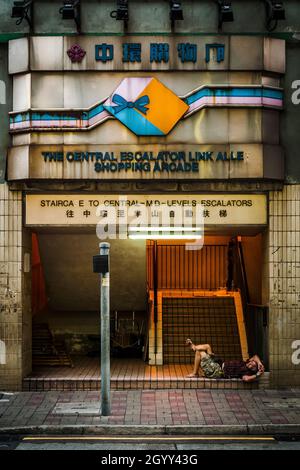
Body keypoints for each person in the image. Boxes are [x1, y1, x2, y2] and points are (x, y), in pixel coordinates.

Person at [185, 339, 264, 382]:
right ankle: (193, 347)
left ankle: (195, 372)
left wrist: (258, 375)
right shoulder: (246, 362)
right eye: (252, 362)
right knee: (207, 346)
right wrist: (259, 363)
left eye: (252, 366)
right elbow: (255, 356)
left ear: (253, 370)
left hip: (217, 371)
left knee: (200, 352)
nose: (251, 364)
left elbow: (246, 379)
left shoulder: (246, 372)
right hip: (218, 363)